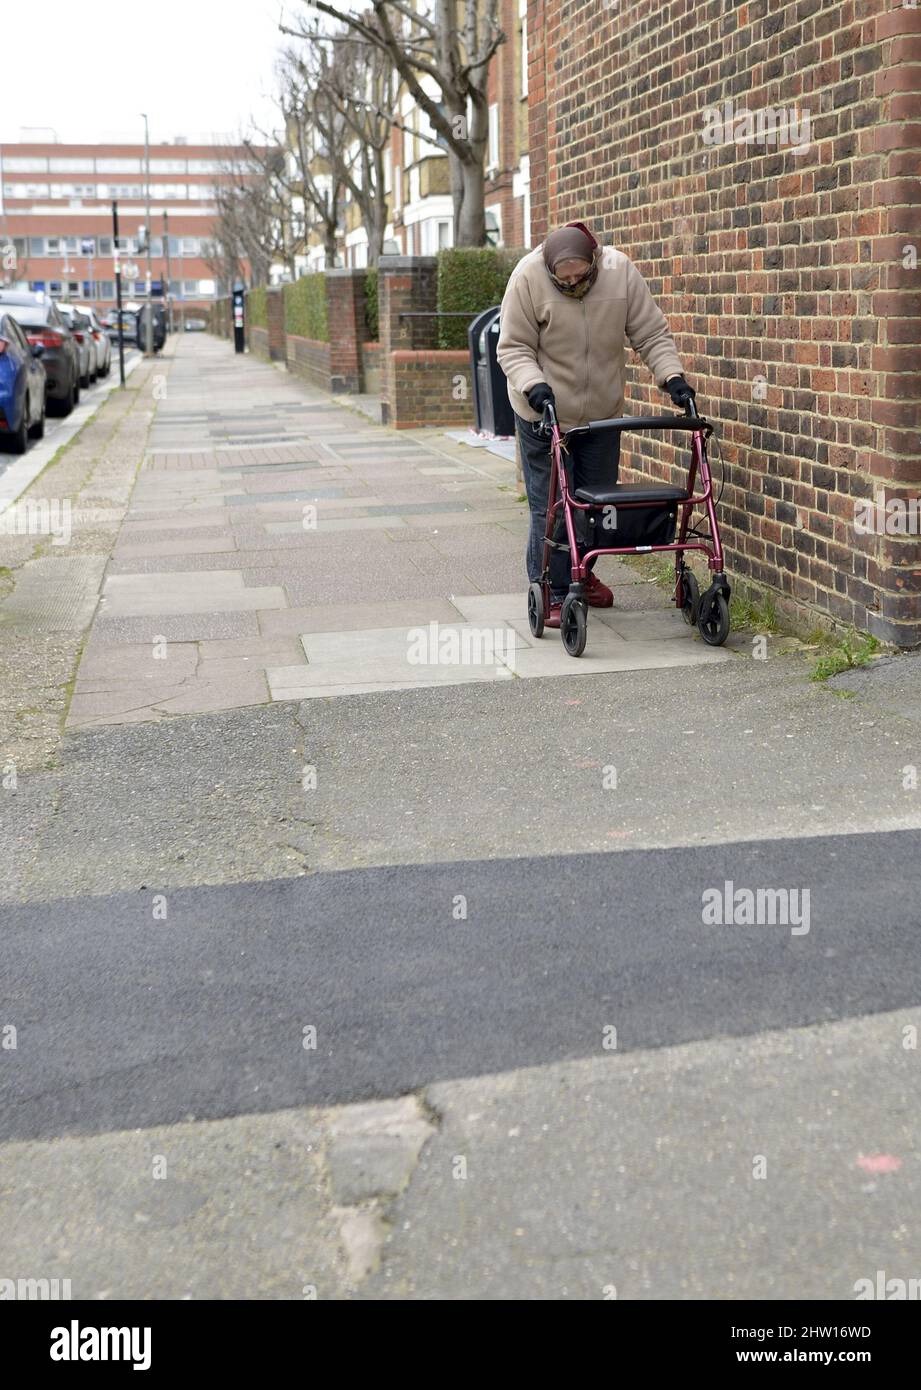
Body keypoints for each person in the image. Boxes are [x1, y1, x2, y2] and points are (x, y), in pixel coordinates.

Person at [497, 221, 696, 627]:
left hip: (601, 416)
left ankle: (581, 575)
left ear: (594, 261)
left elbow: (651, 334)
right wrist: (534, 386)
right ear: (550, 270)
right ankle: (551, 589)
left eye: (580, 276)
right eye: (563, 279)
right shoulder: (527, 277)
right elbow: (513, 347)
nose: (573, 284)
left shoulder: (620, 271)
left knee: (592, 505)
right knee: (551, 508)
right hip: (543, 411)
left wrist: (672, 379)